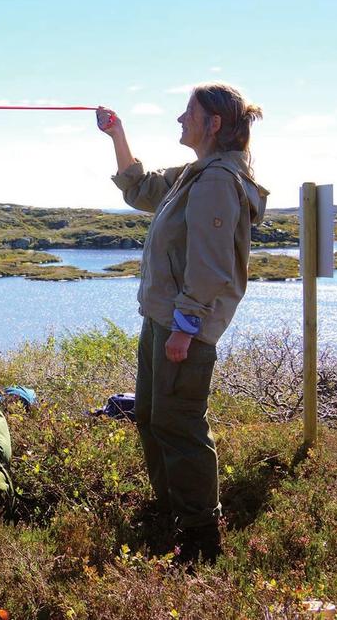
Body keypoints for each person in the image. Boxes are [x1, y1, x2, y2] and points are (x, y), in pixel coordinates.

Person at [97, 84, 268, 564]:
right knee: (152, 418)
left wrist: (186, 325)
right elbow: (142, 189)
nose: (179, 118)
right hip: (162, 318)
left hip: (182, 328)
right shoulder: (196, 173)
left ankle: (200, 536)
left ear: (213, 123)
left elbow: (211, 266)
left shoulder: (216, 181)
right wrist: (117, 133)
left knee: (180, 424)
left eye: (188, 113)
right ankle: (171, 512)